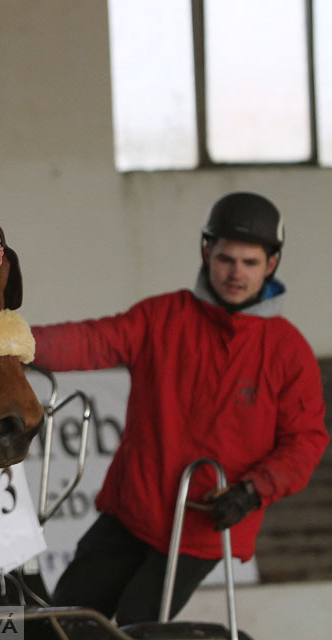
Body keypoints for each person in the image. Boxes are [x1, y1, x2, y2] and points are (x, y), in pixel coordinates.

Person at [31, 192, 328, 625]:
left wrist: (253, 490)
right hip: (133, 512)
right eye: (227, 259)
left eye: (250, 262)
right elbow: (92, 340)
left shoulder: (288, 350)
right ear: (207, 251)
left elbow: (306, 440)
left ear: (272, 264)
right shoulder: (163, 316)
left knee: (137, 626)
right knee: (62, 619)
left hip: (201, 528)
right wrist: (16, 342)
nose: (236, 274)